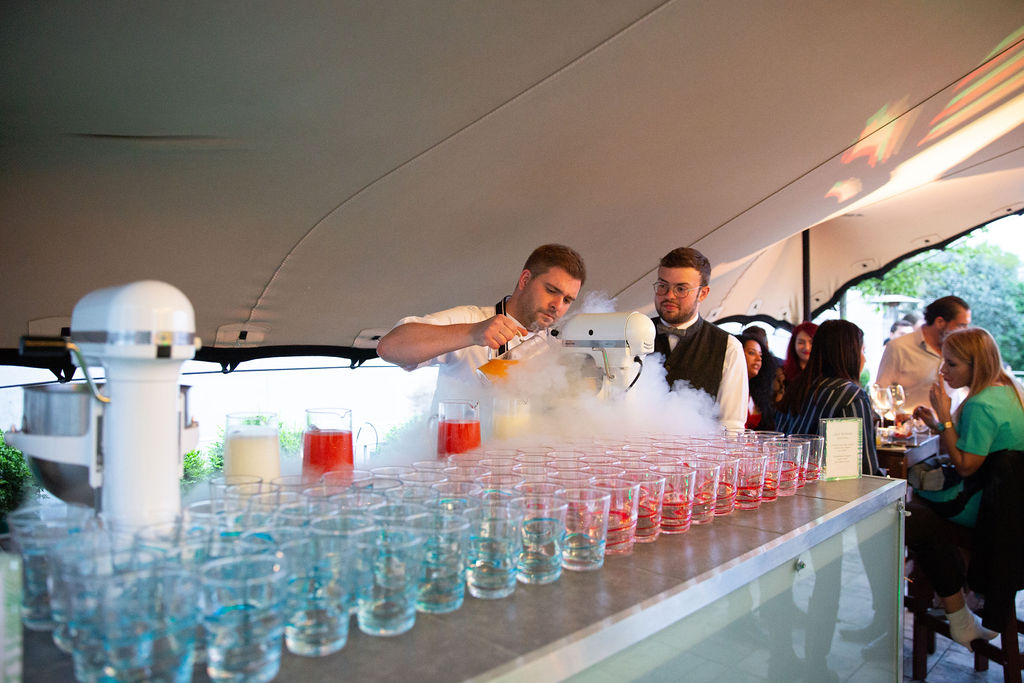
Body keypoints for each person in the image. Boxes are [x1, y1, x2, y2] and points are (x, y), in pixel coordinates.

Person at [908, 327, 1024, 650]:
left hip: (987, 507)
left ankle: (952, 599)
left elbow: (964, 465)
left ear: (977, 364)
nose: (943, 371)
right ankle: (960, 590)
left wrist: (945, 416)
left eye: (952, 364)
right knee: (921, 504)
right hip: (1012, 508)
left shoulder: (981, 404)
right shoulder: (1010, 391)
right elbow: (976, 447)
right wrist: (938, 424)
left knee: (913, 509)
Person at [376, 244, 586, 401]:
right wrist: (473, 333)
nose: (557, 305)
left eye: (567, 300)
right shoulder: (471, 319)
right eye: (551, 290)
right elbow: (390, 347)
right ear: (525, 280)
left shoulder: (559, 350)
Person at [650, 247, 748, 431]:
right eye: (663, 286)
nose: (669, 295)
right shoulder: (628, 335)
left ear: (703, 293)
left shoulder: (728, 347)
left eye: (681, 289)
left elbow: (731, 426)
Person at [775, 319, 881, 476]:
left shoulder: (798, 387)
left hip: (792, 482)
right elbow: (863, 470)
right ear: (850, 354)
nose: (864, 359)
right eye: (862, 351)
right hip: (832, 489)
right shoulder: (850, 397)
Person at [876, 295, 971, 411]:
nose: (966, 330)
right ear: (940, 322)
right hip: (910, 421)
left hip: (951, 422)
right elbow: (881, 393)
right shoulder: (898, 348)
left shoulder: (961, 350)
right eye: (961, 325)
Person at [738, 331, 778, 431]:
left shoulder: (757, 392)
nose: (758, 359)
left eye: (760, 355)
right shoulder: (730, 389)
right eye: (752, 353)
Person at [773, 321, 818, 405]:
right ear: (793, 344)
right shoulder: (782, 374)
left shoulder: (825, 374)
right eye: (801, 342)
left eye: (811, 342)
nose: (806, 347)